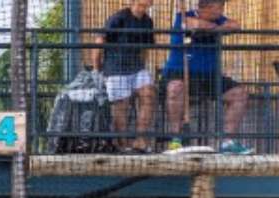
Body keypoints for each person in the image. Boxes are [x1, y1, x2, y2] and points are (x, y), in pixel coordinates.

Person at [162, 0, 252, 154]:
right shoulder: (183, 15)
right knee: (175, 87)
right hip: (180, 73)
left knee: (240, 94)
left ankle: (228, 142)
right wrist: (216, 29)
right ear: (205, 8)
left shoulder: (217, 19)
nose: (221, 12)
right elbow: (192, 24)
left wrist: (212, 27)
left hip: (210, 76)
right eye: (218, 8)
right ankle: (175, 139)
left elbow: (236, 25)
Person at [92, 0, 157, 153]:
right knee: (121, 105)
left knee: (148, 94)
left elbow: (146, 47)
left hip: (137, 67)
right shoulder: (118, 18)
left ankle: (140, 140)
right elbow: (100, 40)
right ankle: (123, 144)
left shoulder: (147, 21)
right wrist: (96, 68)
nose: (145, 5)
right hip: (115, 68)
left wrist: (143, 65)